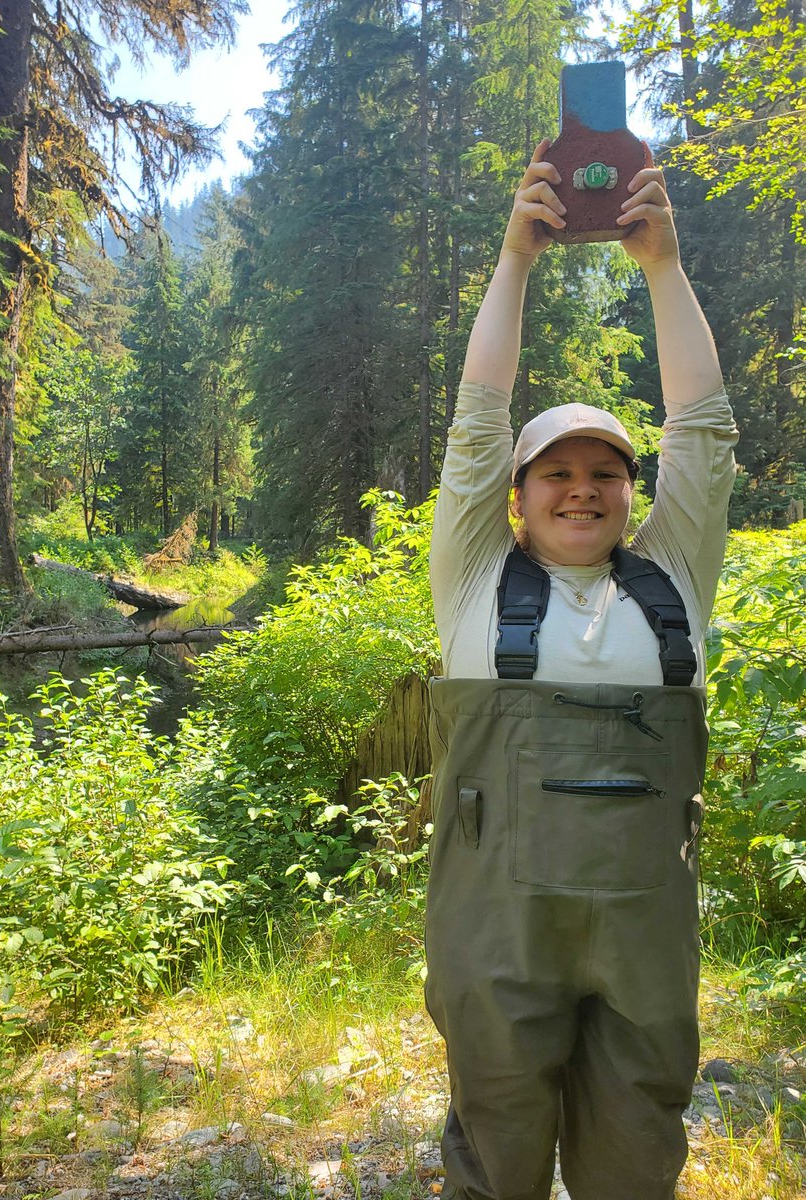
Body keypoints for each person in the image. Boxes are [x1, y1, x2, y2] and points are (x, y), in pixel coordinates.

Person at [424, 139, 738, 1200]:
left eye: (605, 471)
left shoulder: (673, 584)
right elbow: (476, 423)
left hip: (644, 939)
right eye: (554, 472)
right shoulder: (473, 582)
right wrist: (514, 258)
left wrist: (664, 265)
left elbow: (703, 430)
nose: (581, 489)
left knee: (635, 1157)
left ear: (630, 493)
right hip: (495, 933)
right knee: (497, 1149)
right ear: (514, 499)